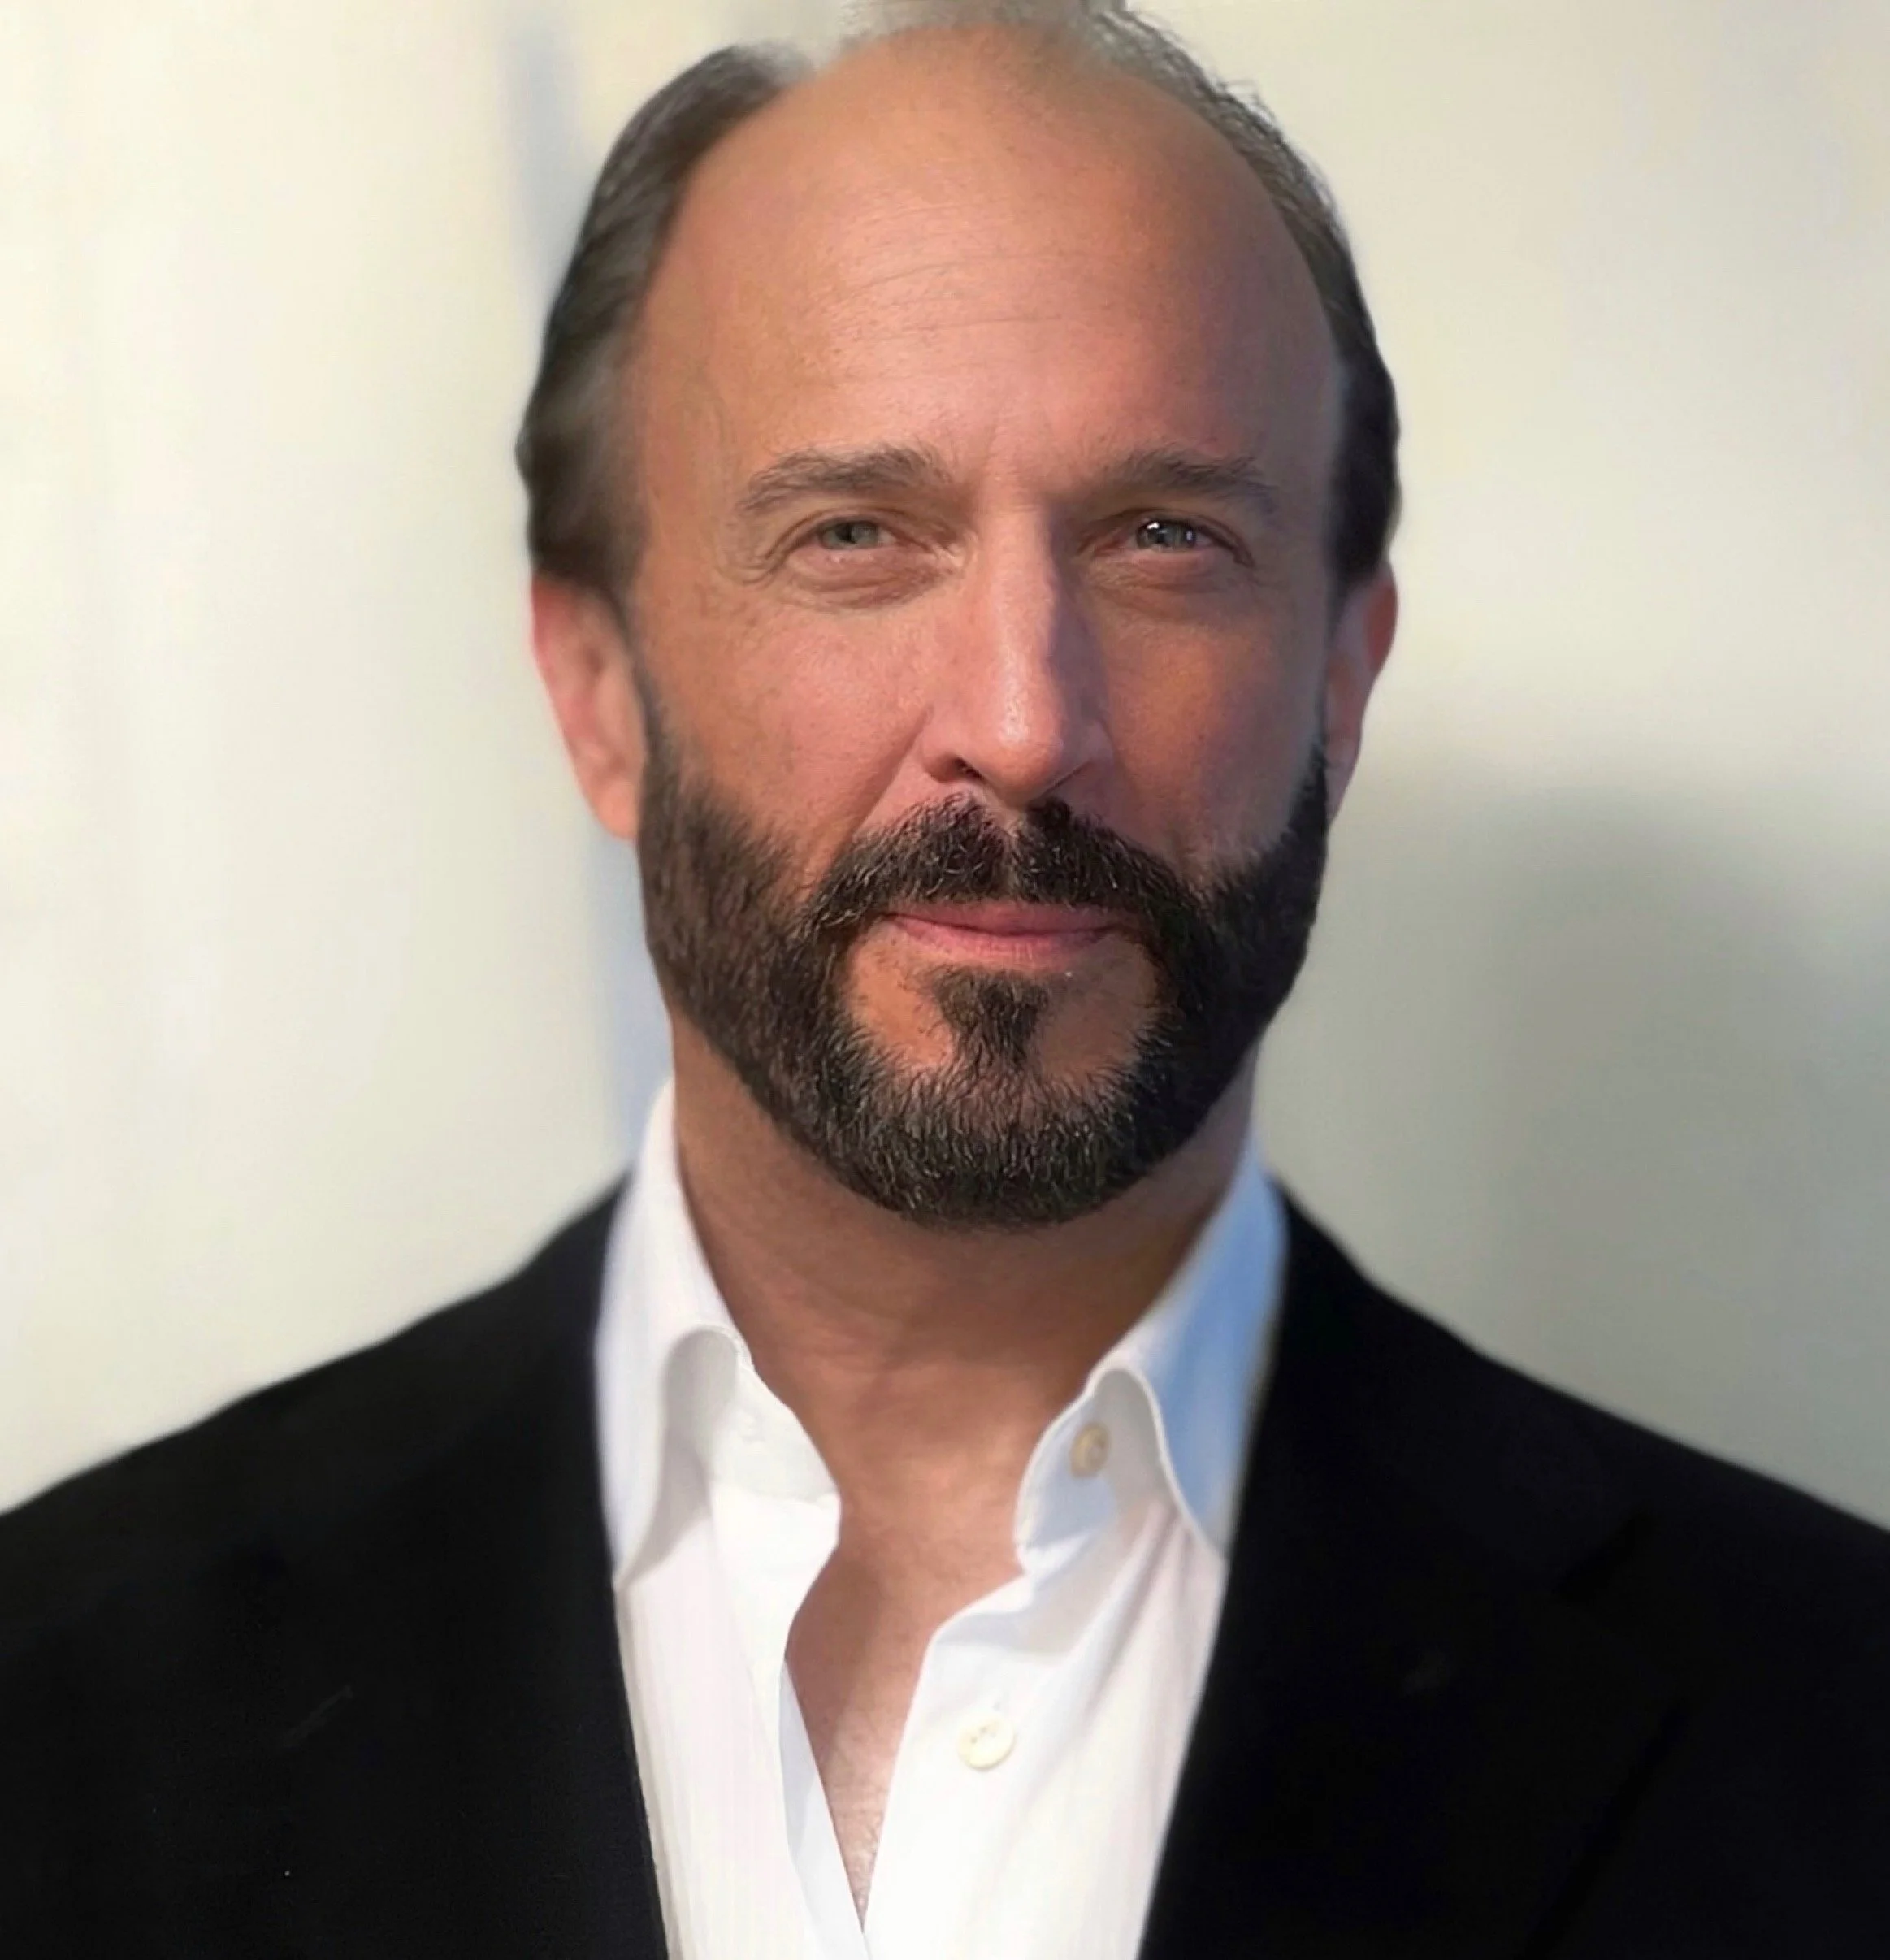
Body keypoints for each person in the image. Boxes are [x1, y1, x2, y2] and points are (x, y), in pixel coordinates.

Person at [4, 2, 1888, 1953]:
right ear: (595, 692)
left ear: (1338, 676)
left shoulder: (1834, 1740)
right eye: (854, 538)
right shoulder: (56, 1714)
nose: (1017, 722)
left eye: (1163, 538)